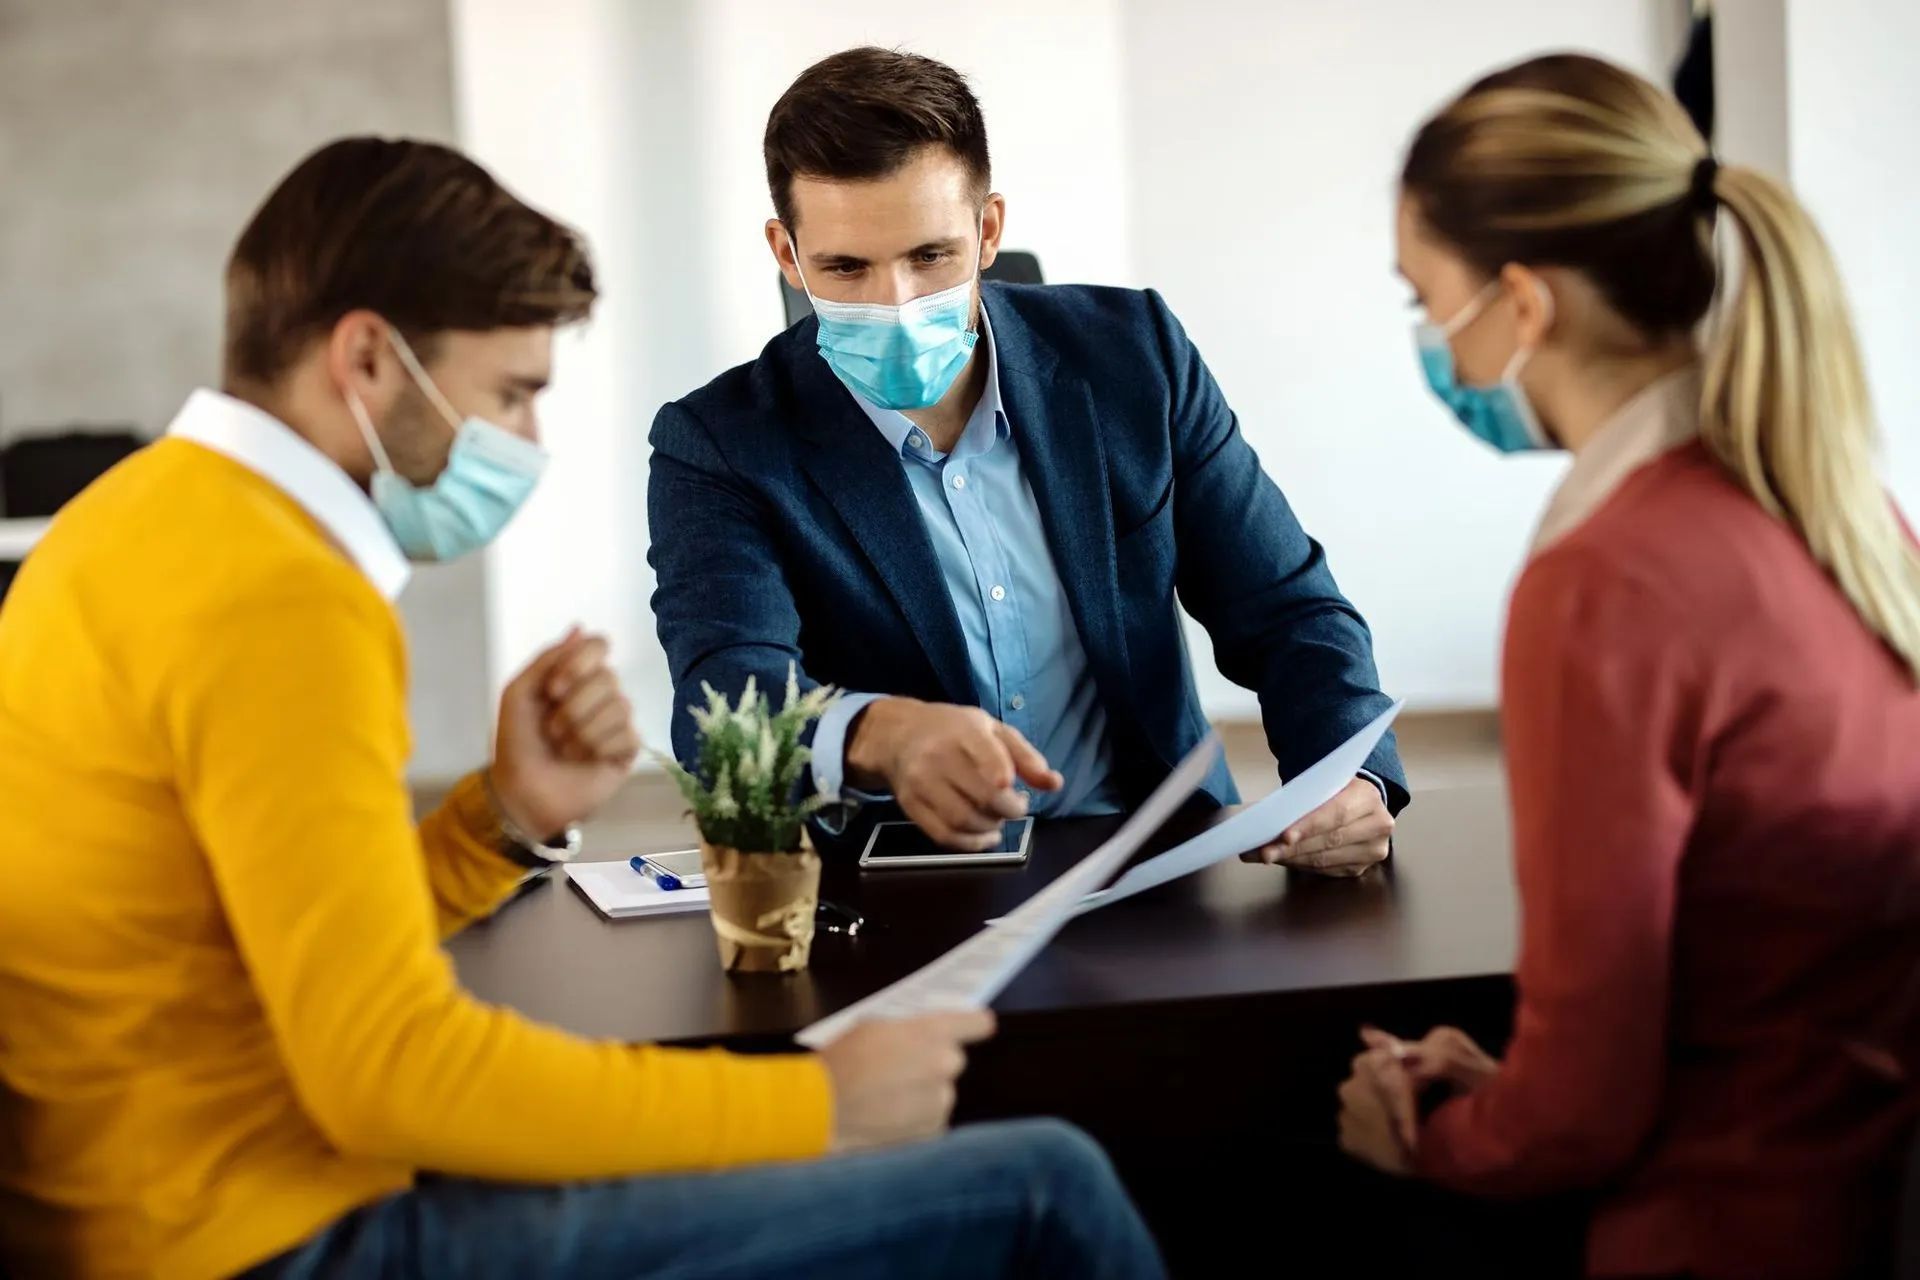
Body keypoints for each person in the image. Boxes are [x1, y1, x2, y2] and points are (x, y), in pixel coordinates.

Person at [0, 137, 1165, 1280]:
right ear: (365, 359)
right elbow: (391, 1068)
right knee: (1042, 1183)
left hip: (137, 1202)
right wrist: (819, 1099)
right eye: (510, 392)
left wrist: (500, 815)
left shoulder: (126, 518)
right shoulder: (284, 597)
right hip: (270, 1235)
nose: (525, 441)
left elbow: (264, 936)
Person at [1336, 54, 1920, 1280]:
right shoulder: (1849, 512)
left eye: (1422, 297)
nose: (1425, 339)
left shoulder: (1605, 589)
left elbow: (1584, 1112)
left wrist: (1439, 1137)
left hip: (1714, 1228)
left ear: (1523, 305)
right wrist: (1519, 1090)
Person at [648, 47, 1406, 868]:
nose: (895, 303)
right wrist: (876, 732)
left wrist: (1347, 772)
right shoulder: (719, 442)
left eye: (930, 256)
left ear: (988, 229)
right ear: (788, 254)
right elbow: (719, 703)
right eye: (846, 267)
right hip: (902, 889)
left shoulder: (1136, 357)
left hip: (1159, 859)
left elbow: (1288, 609)